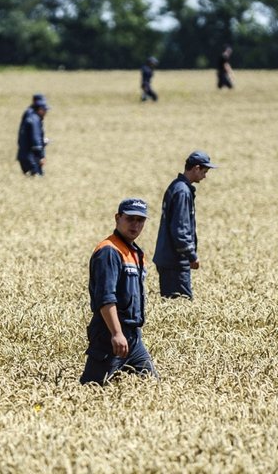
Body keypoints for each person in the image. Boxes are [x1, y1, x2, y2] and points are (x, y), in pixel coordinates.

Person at [80, 198, 158, 385]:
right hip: (110, 335)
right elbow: (105, 298)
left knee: (152, 385)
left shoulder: (134, 252)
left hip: (133, 337)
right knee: (92, 387)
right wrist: (116, 333)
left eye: (140, 220)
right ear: (118, 218)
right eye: (130, 218)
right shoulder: (109, 251)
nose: (135, 224)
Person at [153, 150, 218, 299]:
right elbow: (180, 229)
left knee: (173, 304)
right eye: (205, 171)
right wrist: (191, 255)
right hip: (175, 260)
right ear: (196, 168)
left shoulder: (176, 186)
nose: (205, 176)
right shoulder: (182, 191)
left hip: (168, 258)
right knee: (180, 303)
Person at [17, 94, 49, 176]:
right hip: (32, 157)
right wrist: (41, 156)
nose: (46, 112)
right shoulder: (35, 119)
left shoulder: (28, 114)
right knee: (37, 179)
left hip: (23, 155)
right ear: (40, 109)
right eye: (45, 110)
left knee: (29, 179)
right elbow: (36, 138)